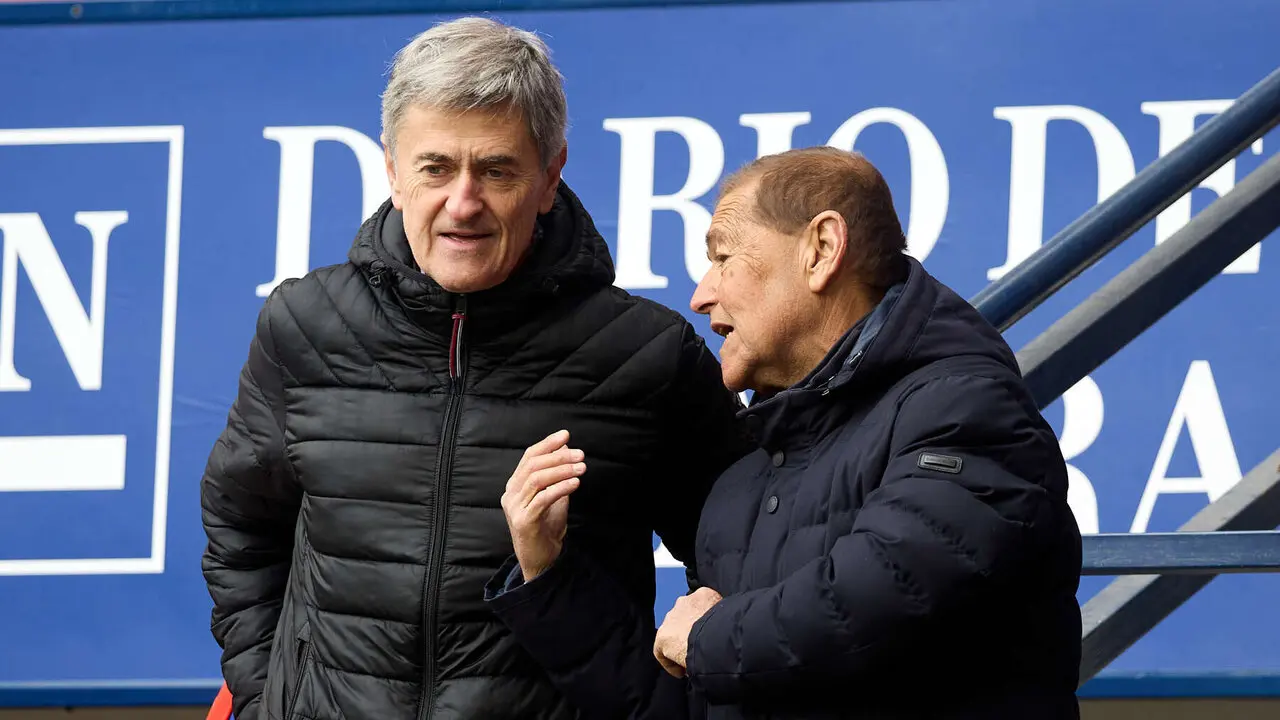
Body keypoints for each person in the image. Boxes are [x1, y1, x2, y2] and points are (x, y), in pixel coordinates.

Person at [199, 17, 750, 720]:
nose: (463, 203)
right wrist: (266, 699)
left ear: (550, 177)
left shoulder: (647, 354)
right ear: (393, 172)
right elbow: (241, 529)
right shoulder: (302, 325)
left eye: (496, 170)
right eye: (435, 168)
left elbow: (743, 557)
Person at [489, 146, 1084, 719]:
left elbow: (887, 592)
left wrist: (705, 638)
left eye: (723, 258)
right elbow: (679, 703)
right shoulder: (742, 480)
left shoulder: (967, 407)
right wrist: (548, 578)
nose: (700, 296)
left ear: (820, 250)